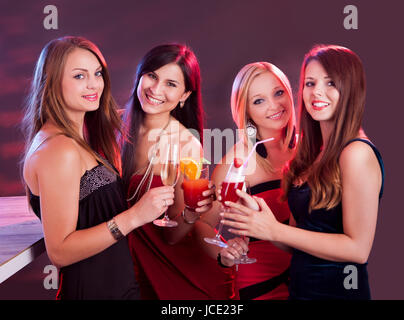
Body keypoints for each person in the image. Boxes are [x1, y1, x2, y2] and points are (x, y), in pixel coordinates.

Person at [220, 45, 384, 300]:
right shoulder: (313, 155)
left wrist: (274, 230)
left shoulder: (356, 152)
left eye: (331, 83)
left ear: (351, 89)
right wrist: (263, 223)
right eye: (310, 83)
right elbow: (297, 242)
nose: (317, 92)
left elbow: (358, 249)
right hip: (299, 292)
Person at [21, 36, 175, 300]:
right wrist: (135, 217)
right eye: (79, 76)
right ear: (52, 80)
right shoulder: (60, 150)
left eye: (97, 73)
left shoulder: (78, 137)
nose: (94, 84)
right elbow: (60, 251)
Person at [121, 43, 234, 299]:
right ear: (140, 75)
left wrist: (192, 213)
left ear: (184, 96)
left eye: (171, 84)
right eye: (151, 75)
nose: (156, 89)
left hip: (177, 276)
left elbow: (172, 236)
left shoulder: (186, 146)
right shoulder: (113, 128)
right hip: (128, 270)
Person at [194, 62, 296, 300]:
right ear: (246, 110)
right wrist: (223, 252)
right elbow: (203, 225)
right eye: (259, 100)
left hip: (310, 276)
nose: (274, 105)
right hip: (263, 283)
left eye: (278, 92)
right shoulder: (238, 160)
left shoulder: (309, 149)